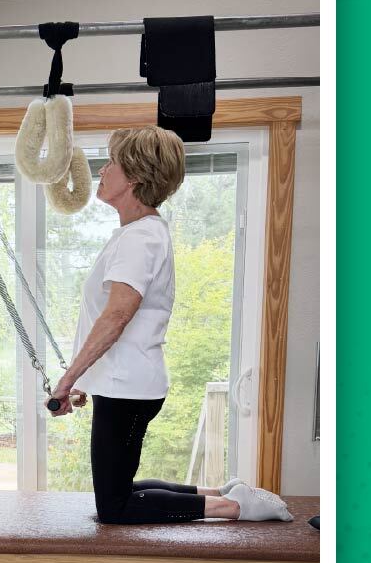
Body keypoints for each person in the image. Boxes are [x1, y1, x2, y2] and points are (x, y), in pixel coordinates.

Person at [47, 126, 291, 525]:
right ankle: (225, 493)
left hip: (128, 389)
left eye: (112, 163)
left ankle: (237, 509)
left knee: (115, 506)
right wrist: (83, 381)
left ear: (135, 179)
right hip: (124, 385)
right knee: (122, 490)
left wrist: (67, 379)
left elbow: (117, 317)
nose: (103, 170)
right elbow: (113, 321)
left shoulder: (140, 238)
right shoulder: (136, 234)